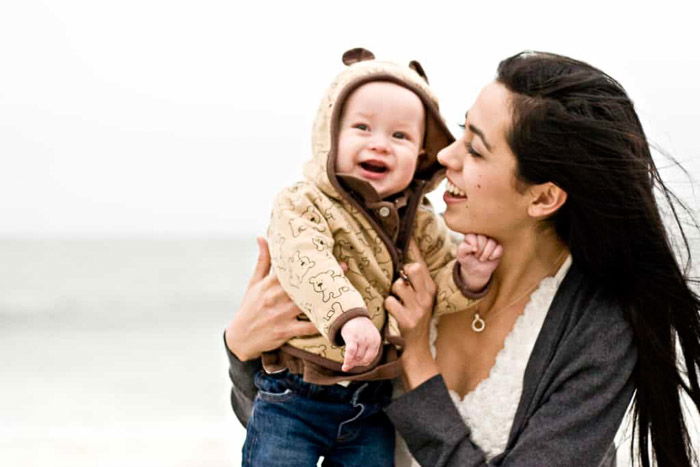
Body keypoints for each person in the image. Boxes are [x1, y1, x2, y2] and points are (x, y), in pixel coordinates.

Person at [225, 51, 700, 466]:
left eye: (474, 148)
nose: (445, 155)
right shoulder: (404, 254)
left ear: (543, 198)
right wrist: (241, 351)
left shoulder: (597, 327)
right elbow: (301, 424)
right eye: (461, 129)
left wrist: (416, 362)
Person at [240, 48, 501, 466]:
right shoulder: (304, 202)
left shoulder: (421, 223)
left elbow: (433, 291)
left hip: (372, 401)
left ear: (420, 156)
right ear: (331, 135)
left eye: (400, 136)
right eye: (362, 128)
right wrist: (349, 317)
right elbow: (307, 262)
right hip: (295, 392)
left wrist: (468, 276)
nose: (380, 144)